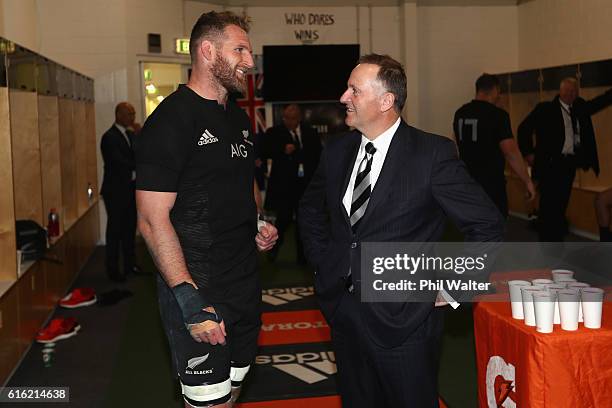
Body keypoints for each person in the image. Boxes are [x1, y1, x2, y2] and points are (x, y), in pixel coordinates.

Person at [299, 54, 504, 408]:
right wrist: (325, 263)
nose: (343, 98)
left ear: (386, 101)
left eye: (353, 90)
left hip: (406, 321)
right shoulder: (336, 150)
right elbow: (311, 210)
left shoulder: (432, 154)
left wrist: (453, 288)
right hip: (344, 311)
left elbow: (488, 226)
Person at [134, 11, 278, 408]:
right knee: (208, 403)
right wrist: (189, 300)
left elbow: (237, 179)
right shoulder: (170, 120)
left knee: (231, 392)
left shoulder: (237, 118)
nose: (249, 61)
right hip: (199, 286)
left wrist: (256, 223)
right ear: (207, 50)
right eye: (240, 50)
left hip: (244, 282)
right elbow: (150, 219)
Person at [518, 78, 612, 241]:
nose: (570, 93)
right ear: (560, 92)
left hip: (568, 164)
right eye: (567, 90)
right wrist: (528, 153)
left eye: (574, 91)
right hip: (549, 165)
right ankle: (547, 244)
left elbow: (598, 103)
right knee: (548, 207)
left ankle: (555, 241)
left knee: (561, 205)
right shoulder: (545, 109)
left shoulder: (579, 107)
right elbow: (523, 129)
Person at [453, 74, 535, 217]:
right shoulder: (498, 115)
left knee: (471, 228)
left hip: (466, 184)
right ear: (495, 90)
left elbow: (456, 146)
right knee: (493, 229)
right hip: (490, 187)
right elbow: (511, 153)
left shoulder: (460, 113)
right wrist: (527, 181)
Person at [264, 104, 321, 263]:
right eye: (286, 118)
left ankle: (303, 257)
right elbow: (265, 150)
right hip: (285, 187)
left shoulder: (310, 132)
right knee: (283, 220)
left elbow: (318, 155)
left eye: (292, 118)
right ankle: (273, 251)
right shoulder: (275, 132)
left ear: (299, 118)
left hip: (305, 186)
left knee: (304, 222)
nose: (288, 121)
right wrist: (282, 149)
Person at [100, 102, 139, 282]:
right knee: (115, 231)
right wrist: (140, 165)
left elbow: (139, 153)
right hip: (115, 192)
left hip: (130, 190)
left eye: (133, 114)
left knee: (130, 229)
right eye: (129, 114)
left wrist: (138, 134)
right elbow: (118, 161)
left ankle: (130, 264)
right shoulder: (109, 137)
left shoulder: (129, 134)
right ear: (119, 115)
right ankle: (113, 270)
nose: (133, 117)